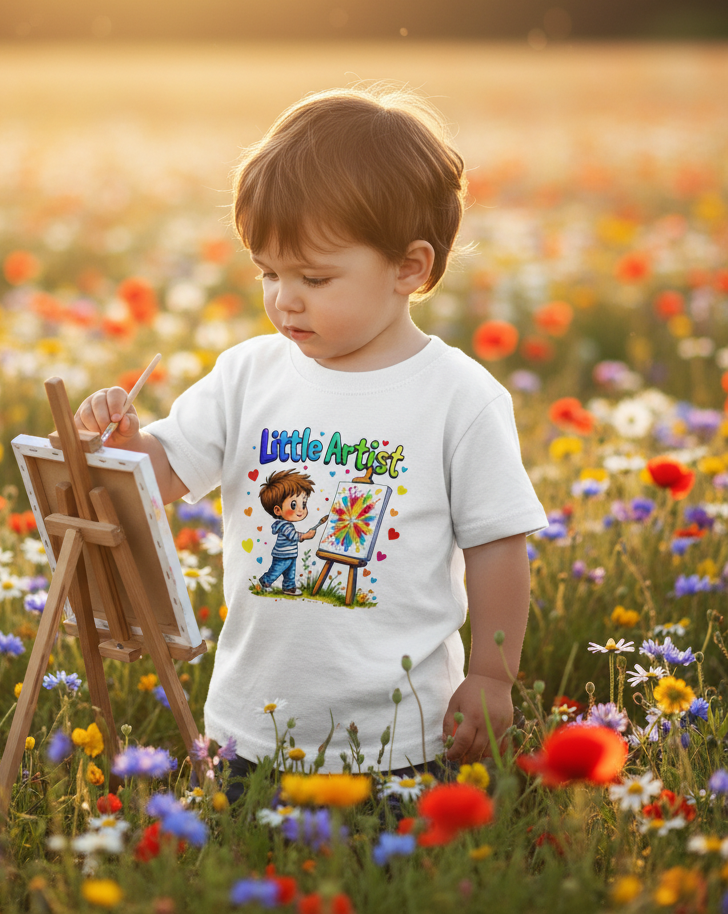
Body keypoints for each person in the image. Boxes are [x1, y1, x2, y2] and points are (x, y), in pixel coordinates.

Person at [74, 87, 548, 786]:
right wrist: (122, 442)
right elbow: (162, 473)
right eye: (269, 272)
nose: (284, 299)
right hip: (252, 725)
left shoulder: (458, 397)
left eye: (315, 277)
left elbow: (498, 544)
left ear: (409, 268)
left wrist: (491, 675)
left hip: (401, 736)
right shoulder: (248, 374)